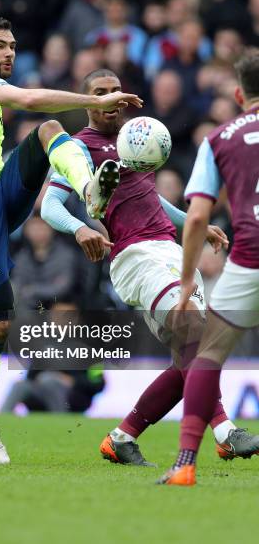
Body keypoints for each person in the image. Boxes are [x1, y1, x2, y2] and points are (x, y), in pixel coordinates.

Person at [0, 15, 142, 465]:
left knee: (46, 133)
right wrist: (94, 97)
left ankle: (89, 191)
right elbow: (29, 98)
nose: (9, 52)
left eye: (13, 45)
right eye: (0, 45)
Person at [42, 68, 256, 467]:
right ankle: (225, 431)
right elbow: (50, 206)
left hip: (171, 251)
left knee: (190, 356)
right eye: (100, 93)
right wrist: (80, 229)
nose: (109, 98)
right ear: (89, 100)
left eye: (115, 91)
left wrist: (195, 220)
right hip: (134, 256)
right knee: (193, 331)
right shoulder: (77, 148)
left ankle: (122, 437)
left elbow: (150, 199)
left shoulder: (138, 138)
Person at [158, 50, 259, 486]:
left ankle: (184, 464)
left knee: (207, 356)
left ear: (239, 94)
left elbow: (197, 216)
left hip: (249, 261)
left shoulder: (218, 139)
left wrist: (185, 284)